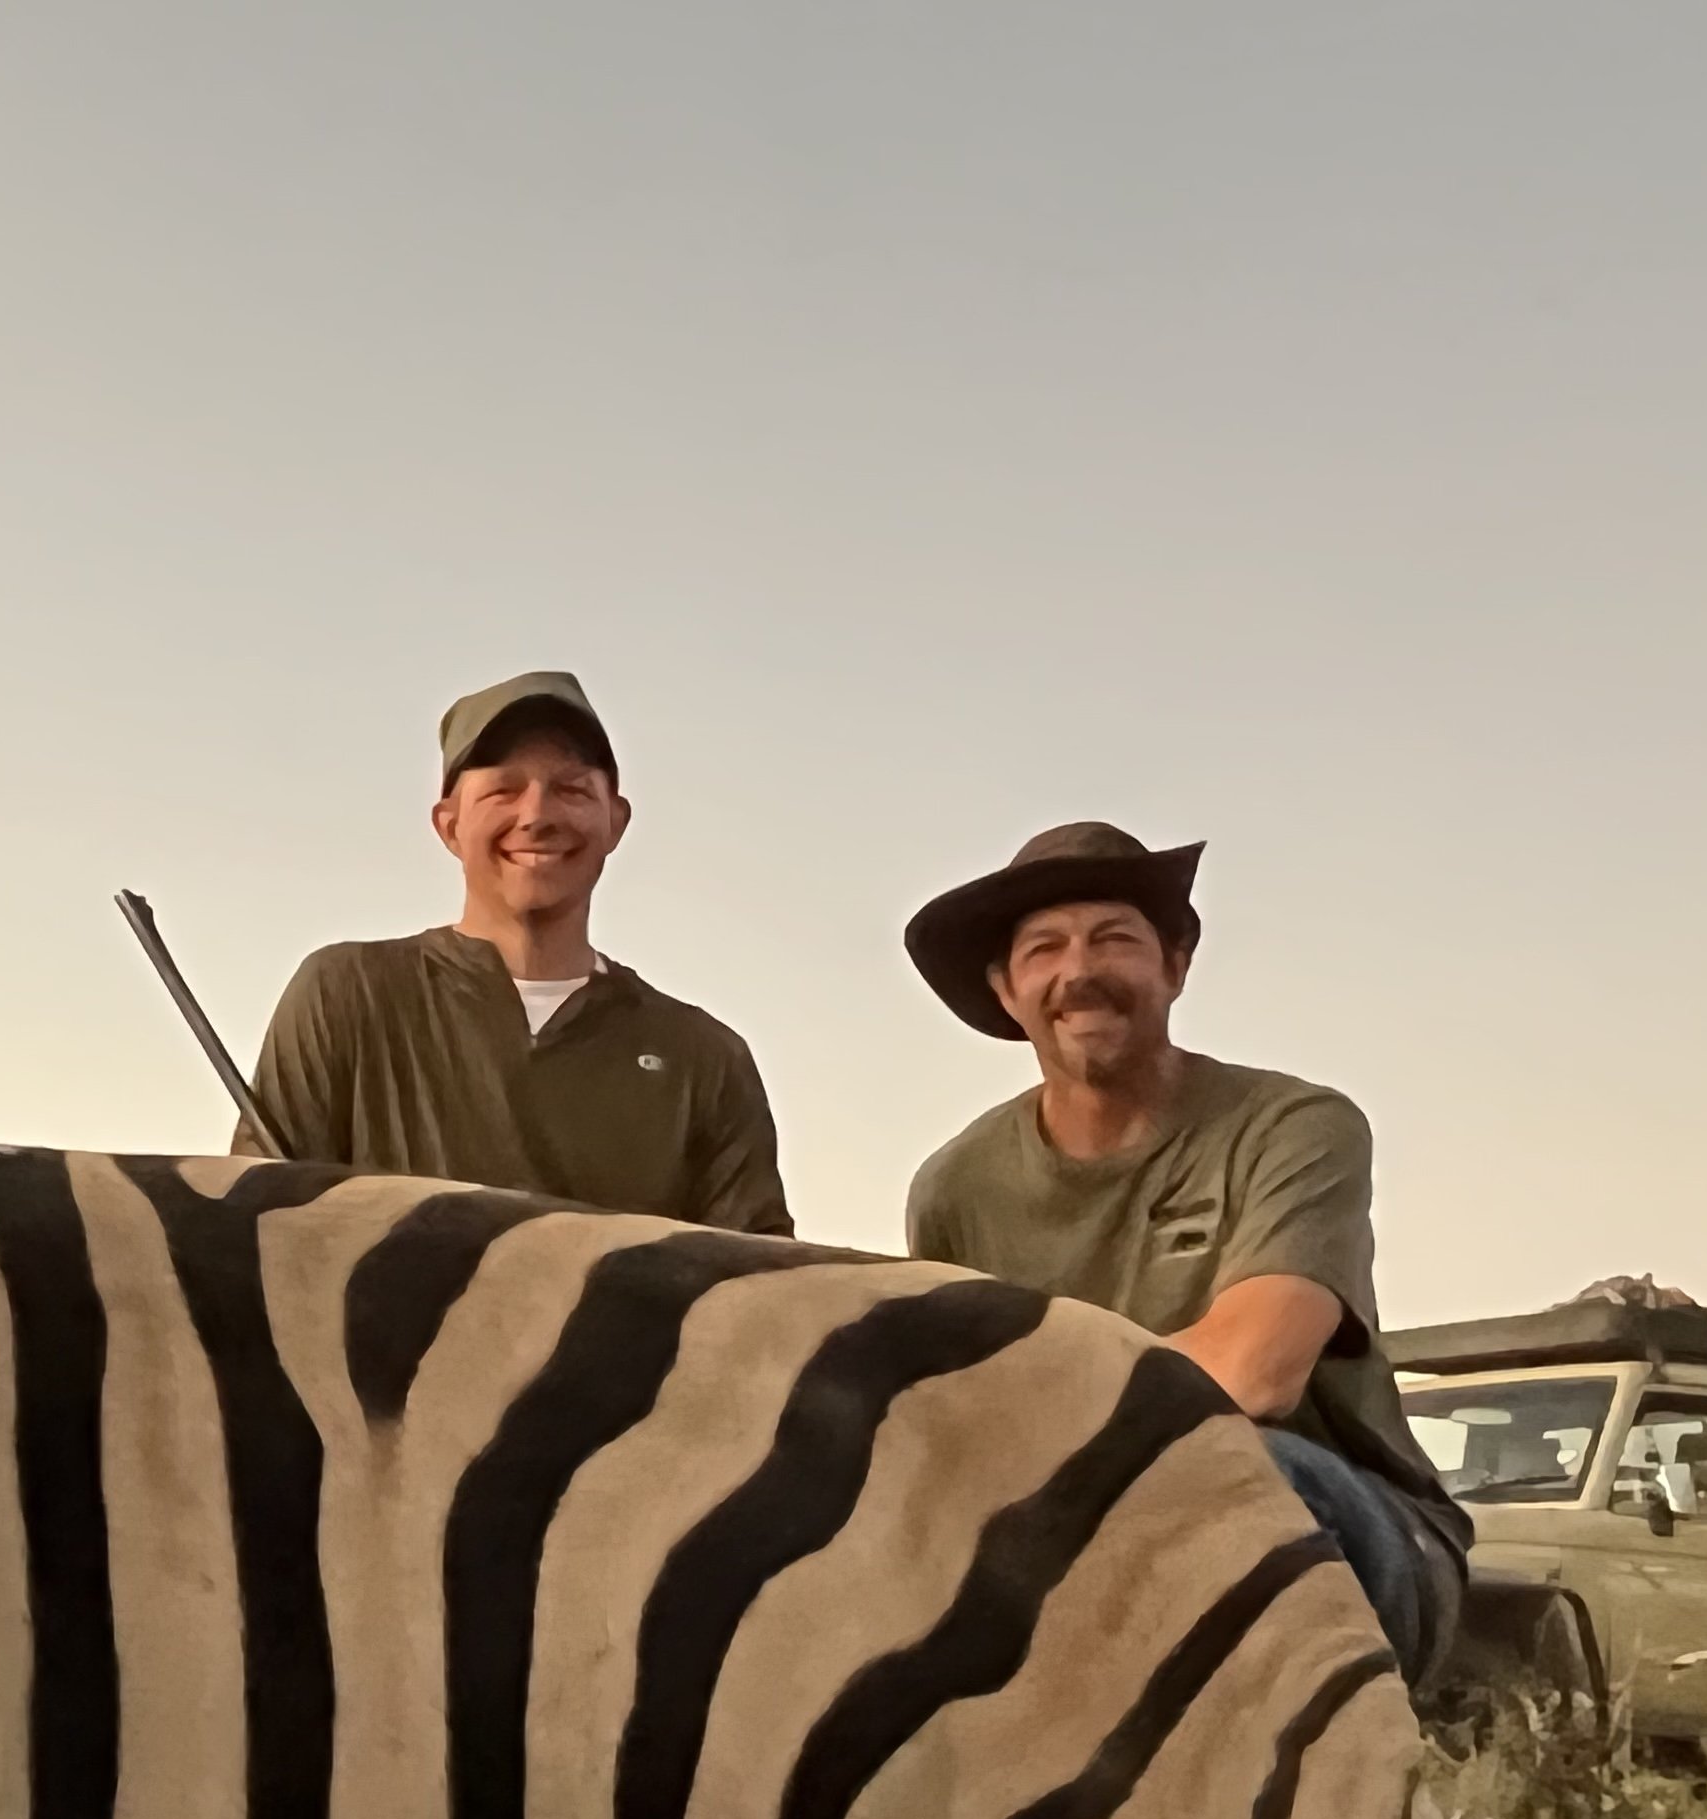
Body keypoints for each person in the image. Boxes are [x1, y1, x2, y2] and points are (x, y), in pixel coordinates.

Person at [899, 821, 1466, 1676]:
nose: (1078, 971)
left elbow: (1255, 1371)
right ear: (1007, 992)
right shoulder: (954, 1190)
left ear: (1175, 964)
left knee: (1227, 1469)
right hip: (1068, 1536)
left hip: (1343, 1517)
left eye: (1114, 939)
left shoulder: (1295, 1127)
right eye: (1043, 948)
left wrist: (1036, 1445)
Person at [238, 672, 789, 1233]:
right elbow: (252, 1235)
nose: (537, 816)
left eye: (572, 789)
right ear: (449, 826)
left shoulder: (706, 1057)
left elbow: (764, 1292)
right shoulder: (344, 992)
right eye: (504, 790)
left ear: (615, 822)